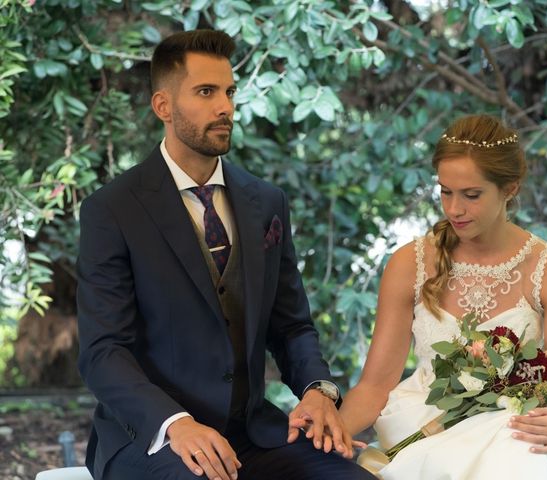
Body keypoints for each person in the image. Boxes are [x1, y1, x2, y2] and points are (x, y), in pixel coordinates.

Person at [76, 29, 375, 480]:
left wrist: (318, 391)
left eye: (230, 91)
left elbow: (291, 325)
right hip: (152, 440)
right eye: (206, 92)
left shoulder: (266, 201)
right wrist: (176, 424)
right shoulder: (112, 209)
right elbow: (103, 352)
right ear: (163, 107)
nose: (226, 107)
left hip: (253, 433)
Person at [339, 114, 547, 479]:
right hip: (424, 424)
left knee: (520, 458)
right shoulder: (411, 263)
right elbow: (375, 385)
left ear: (510, 189)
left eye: (471, 195)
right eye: (445, 191)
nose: (454, 209)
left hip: (513, 427)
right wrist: (332, 430)